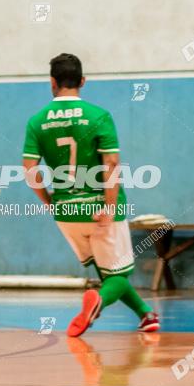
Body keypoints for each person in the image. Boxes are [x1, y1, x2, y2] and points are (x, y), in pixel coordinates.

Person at [22, 53, 160, 337]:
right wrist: (109, 206)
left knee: (108, 271)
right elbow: (111, 163)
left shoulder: (37, 122)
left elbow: (29, 168)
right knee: (120, 275)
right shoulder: (99, 116)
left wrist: (50, 202)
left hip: (66, 211)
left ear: (52, 83)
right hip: (99, 206)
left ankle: (145, 314)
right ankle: (99, 300)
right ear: (83, 81)